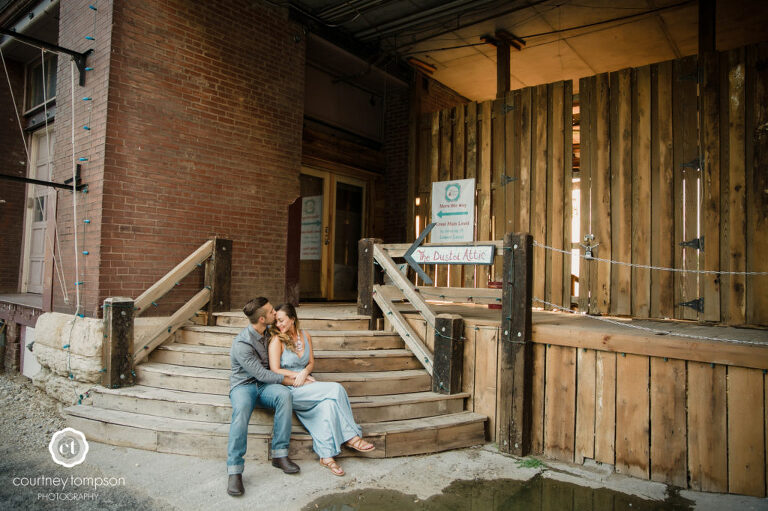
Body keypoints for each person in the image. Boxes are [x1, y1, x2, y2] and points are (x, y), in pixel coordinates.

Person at [268, 303, 375, 477]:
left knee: (329, 406)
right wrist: (298, 376)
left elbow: (310, 362)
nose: (278, 325)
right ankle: (351, 437)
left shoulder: (305, 336)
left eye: (281, 320)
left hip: (307, 386)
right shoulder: (276, 340)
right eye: (276, 322)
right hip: (291, 389)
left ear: (292, 318)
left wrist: (305, 372)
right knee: (336, 389)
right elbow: (275, 370)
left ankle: (326, 456)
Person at [226, 297, 301, 497]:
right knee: (241, 411)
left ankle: (279, 455)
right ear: (261, 319)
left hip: (265, 386)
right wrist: (292, 379)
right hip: (244, 386)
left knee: (284, 396)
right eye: (270, 312)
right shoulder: (242, 342)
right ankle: (235, 470)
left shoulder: (269, 332)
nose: (275, 313)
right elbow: (261, 374)